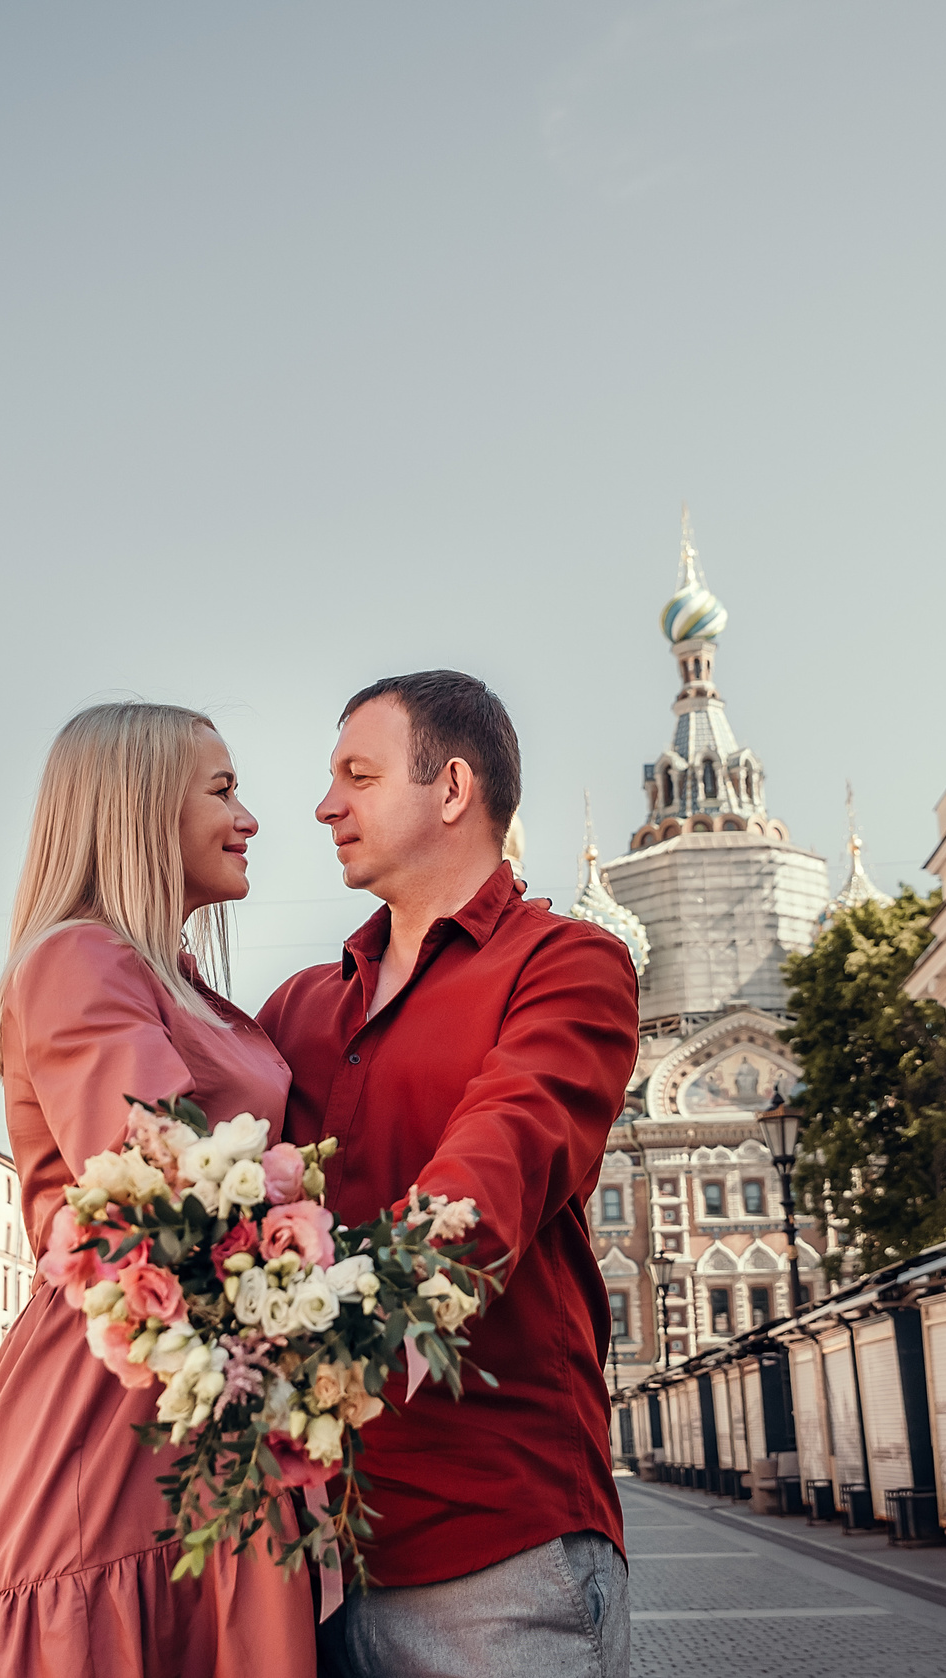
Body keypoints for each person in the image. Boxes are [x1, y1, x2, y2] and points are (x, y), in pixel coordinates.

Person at [0, 701, 316, 1677]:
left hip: (190, 1410)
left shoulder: (168, 980)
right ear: (140, 809)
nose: (251, 817)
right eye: (222, 791)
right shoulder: (78, 957)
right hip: (108, 1429)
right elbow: (170, 1201)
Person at [259, 671, 640, 1678]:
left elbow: (506, 1144)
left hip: (493, 1559)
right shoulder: (295, 1010)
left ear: (452, 788)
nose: (324, 804)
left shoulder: (567, 963)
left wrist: (362, 1283)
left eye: (358, 774)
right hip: (302, 1565)